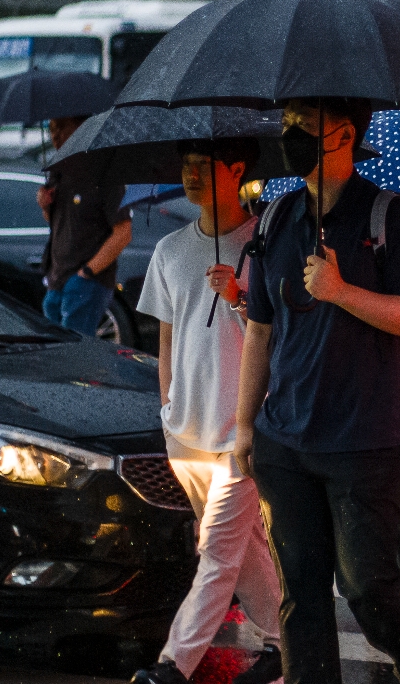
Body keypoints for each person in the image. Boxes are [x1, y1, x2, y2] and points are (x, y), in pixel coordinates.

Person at [235, 97, 400, 684]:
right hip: (286, 440)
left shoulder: (388, 217)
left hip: (365, 440)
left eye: (304, 127)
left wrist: (342, 290)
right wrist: (244, 427)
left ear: (345, 134)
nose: (291, 137)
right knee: (300, 593)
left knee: (367, 585)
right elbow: (260, 329)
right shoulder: (277, 217)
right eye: (288, 127)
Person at [130, 139, 281, 684]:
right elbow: (166, 341)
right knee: (242, 549)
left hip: (243, 430)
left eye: (203, 166)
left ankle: (174, 666)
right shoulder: (170, 249)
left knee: (216, 551)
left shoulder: (263, 242)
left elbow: (281, 335)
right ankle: (287, 643)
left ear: (236, 168)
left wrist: (240, 297)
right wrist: (168, 407)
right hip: (186, 430)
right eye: (186, 167)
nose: (190, 176)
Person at [36, 116, 131, 336]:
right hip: (56, 277)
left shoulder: (104, 173)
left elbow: (123, 232)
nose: (54, 135)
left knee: (76, 353)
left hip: (86, 281)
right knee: (56, 351)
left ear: (81, 127)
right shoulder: (58, 169)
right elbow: (60, 223)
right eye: (51, 128)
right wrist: (45, 205)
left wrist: (86, 273)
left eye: (61, 126)